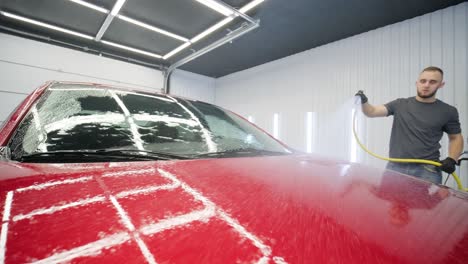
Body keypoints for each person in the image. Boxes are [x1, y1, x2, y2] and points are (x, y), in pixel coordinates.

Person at [355, 66, 464, 184]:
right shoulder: (400, 104)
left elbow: (456, 138)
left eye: (432, 82)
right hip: (395, 167)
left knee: (425, 203)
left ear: (441, 85)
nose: (426, 85)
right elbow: (372, 112)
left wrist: (452, 159)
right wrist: (364, 101)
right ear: (417, 83)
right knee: (390, 202)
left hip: (427, 170)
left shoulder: (448, 111)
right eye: (423, 81)